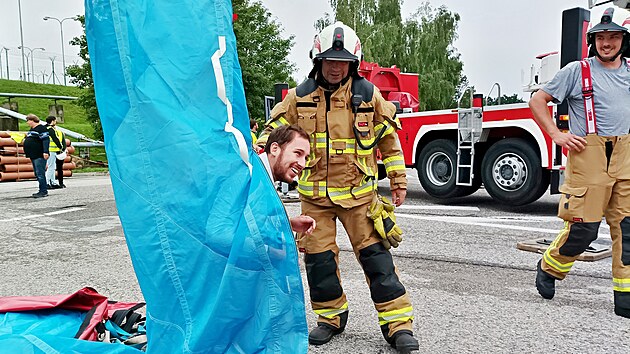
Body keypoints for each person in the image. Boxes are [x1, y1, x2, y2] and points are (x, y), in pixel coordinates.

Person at [257, 22, 418, 353]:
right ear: (318, 59)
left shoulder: (368, 96)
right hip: (315, 197)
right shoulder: (297, 98)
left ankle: (398, 325)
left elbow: (389, 139)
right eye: (329, 60)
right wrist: (261, 162)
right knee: (319, 262)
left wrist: (399, 181)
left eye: (342, 61)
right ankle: (330, 318)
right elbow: (271, 135)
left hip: (360, 197)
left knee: (377, 260)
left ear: (353, 64)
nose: (335, 67)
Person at [529, 8, 630, 319]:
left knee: (628, 231)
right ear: (592, 40)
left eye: (613, 36)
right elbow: (537, 100)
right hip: (589, 155)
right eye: (601, 37)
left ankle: (624, 298)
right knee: (583, 231)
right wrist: (556, 134)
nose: (607, 42)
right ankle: (549, 267)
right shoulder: (577, 71)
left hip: (625, 155)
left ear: (623, 40)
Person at [259, 124, 316, 234]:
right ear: (274, 149)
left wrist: (289, 224)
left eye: (305, 158)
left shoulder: (261, 176)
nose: (303, 164)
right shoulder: (254, 180)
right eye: (298, 153)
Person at [23, 114, 50, 198]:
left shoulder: (41, 128)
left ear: (32, 120)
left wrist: (45, 151)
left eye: (28, 121)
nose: (27, 123)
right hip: (33, 154)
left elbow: (46, 140)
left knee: (40, 173)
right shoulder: (32, 130)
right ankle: (41, 189)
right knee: (37, 173)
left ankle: (43, 191)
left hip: (39, 154)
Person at [45, 116, 67, 189]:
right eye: (55, 121)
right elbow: (55, 139)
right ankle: (47, 182)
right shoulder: (51, 130)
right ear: (53, 121)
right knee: (51, 167)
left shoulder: (47, 129)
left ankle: (53, 181)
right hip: (52, 150)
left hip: (52, 150)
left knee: (53, 167)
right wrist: (61, 148)